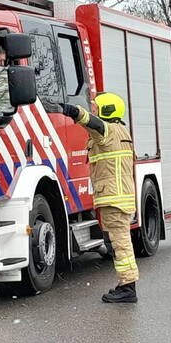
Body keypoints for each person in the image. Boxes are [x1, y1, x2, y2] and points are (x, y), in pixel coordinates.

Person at [59, 92, 139, 304]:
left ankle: (128, 287)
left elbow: (92, 123)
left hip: (113, 199)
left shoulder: (108, 131)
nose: (94, 110)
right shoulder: (122, 131)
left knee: (120, 243)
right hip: (121, 197)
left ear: (107, 110)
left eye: (97, 107)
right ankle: (126, 285)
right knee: (120, 242)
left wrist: (74, 111)